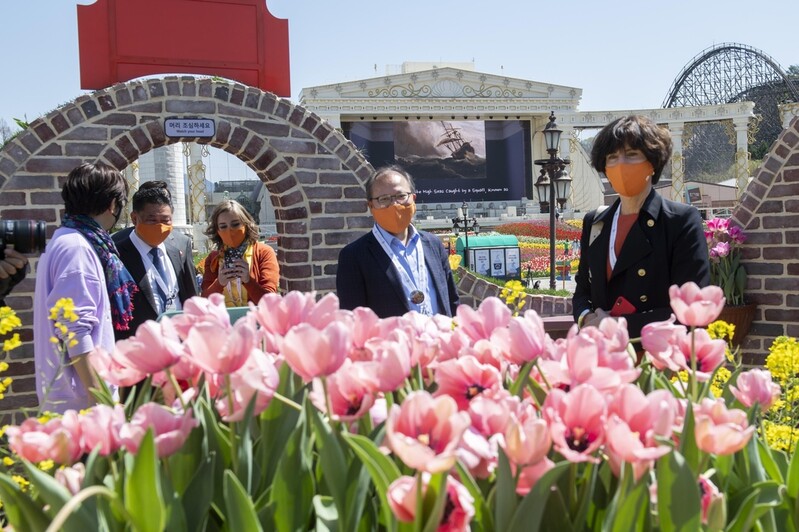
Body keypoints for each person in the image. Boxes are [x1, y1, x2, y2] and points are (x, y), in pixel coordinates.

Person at [572, 115, 710, 340]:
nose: (621, 165)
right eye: (612, 157)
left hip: (655, 356)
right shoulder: (595, 222)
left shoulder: (680, 221)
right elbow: (582, 291)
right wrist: (587, 319)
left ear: (652, 163)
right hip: (604, 358)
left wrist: (619, 325)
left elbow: (692, 306)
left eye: (632, 155)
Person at [34, 162, 136, 412]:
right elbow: (74, 329)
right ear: (113, 204)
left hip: (69, 398)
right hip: (81, 404)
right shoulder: (77, 248)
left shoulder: (65, 239)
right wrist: (98, 397)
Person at [336, 165, 459, 318]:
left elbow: (452, 301)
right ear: (371, 206)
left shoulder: (433, 244)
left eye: (401, 196)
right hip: (394, 341)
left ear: (413, 198)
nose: (394, 204)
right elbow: (353, 319)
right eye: (384, 199)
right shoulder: (354, 256)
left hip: (440, 339)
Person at [112, 181, 197, 339]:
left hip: (179, 340)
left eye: (166, 221)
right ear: (134, 218)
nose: (159, 226)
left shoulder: (180, 245)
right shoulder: (116, 253)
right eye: (151, 220)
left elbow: (191, 294)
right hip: (139, 345)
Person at [201, 199, 279, 306]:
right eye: (223, 226)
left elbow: (270, 302)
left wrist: (248, 280)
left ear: (246, 225)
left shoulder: (263, 252)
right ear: (217, 231)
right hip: (224, 321)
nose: (230, 231)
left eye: (235, 224)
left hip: (255, 320)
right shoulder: (213, 258)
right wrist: (219, 283)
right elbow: (204, 302)